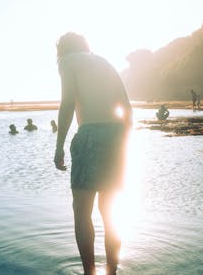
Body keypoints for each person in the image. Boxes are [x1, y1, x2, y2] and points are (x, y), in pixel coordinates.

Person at [53, 32, 132, 275]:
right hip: (116, 134)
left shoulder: (67, 61)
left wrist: (59, 147)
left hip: (89, 134)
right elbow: (126, 109)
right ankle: (112, 270)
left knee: (82, 211)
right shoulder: (104, 62)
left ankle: (90, 272)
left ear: (62, 49)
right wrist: (122, 143)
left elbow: (67, 104)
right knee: (110, 211)